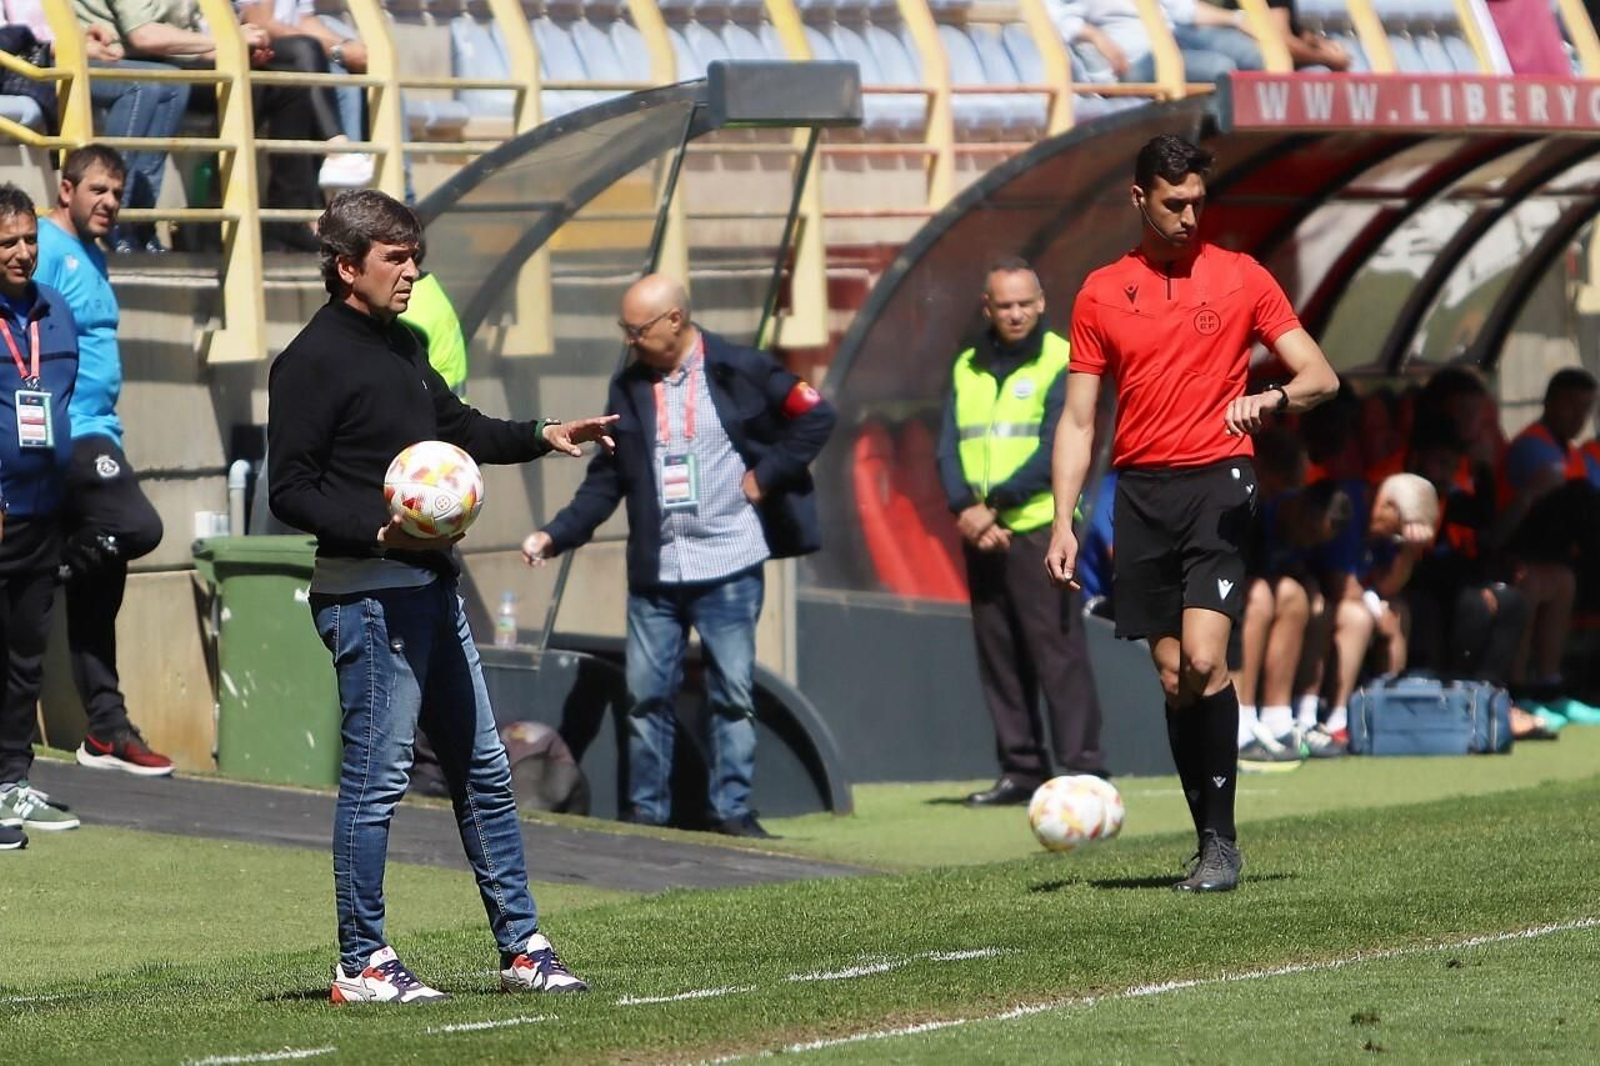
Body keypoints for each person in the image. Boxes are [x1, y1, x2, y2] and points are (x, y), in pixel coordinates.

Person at [268, 189, 613, 1002]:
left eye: (414, 256)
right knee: (378, 780)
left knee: (486, 771)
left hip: (430, 589)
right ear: (347, 266)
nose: (411, 272)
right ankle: (361, 961)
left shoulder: (406, 344)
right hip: (367, 597)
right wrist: (374, 531)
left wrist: (542, 435)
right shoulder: (311, 361)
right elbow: (291, 489)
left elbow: (458, 429)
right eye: (395, 258)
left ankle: (522, 947)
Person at [1044, 134, 1338, 892]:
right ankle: (1208, 840)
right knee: (1175, 674)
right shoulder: (1101, 291)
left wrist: (1270, 399)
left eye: (1198, 202)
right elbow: (1079, 420)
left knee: (1206, 657)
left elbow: (1320, 376)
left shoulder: (1241, 276)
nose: (1188, 216)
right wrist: (1062, 521)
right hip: (1140, 491)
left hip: (1221, 480)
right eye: (1174, 203)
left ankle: (1223, 847)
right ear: (1139, 198)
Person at [522, 274, 836, 839]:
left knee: (734, 695)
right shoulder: (629, 388)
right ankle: (647, 813)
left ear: (675, 320)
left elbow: (816, 416)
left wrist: (768, 474)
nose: (629, 341)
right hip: (658, 571)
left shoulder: (741, 368)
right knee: (645, 698)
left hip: (730, 564)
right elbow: (606, 479)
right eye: (624, 330)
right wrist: (554, 534)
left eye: (636, 330)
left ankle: (732, 811)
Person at [7, 146, 174, 778]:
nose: (109, 203)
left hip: (102, 429)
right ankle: (61, 562)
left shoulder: (94, 255)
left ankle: (106, 729)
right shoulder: (43, 244)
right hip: (70, 434)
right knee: (138, 528)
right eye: (98, 190)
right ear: (65, 187)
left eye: (117, 193)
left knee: (102, 588)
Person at [935, 257, 1107, 807]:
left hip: (1037, 529)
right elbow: (946, 445)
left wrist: (995, 506)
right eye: (1003, 304)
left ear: (1041, 303)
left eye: (1023, 303)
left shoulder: (1064, 359)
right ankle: (1021, 769)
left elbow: (1059, 443)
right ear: (987, 307)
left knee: (1057, 655)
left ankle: (1084, 768)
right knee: (999, 655)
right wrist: (964, 507)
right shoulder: (967, 365)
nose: (1014, 313)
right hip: (981, 533)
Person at [73, 0, 341, 250]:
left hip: (173, 60)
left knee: (285, 85)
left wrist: (238, 49)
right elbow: (143, 36)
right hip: (124, 58)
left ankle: (287, 218)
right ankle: (194, 219)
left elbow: (190, 36)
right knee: (171, 86)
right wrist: (228, 40)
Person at [0, 183, 83, 837]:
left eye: (30, 238)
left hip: (42, 512)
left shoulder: (56, 309)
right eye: (8, 242)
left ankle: (12, 782)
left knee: (26, 656)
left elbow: (60, 403)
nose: (23, 252)